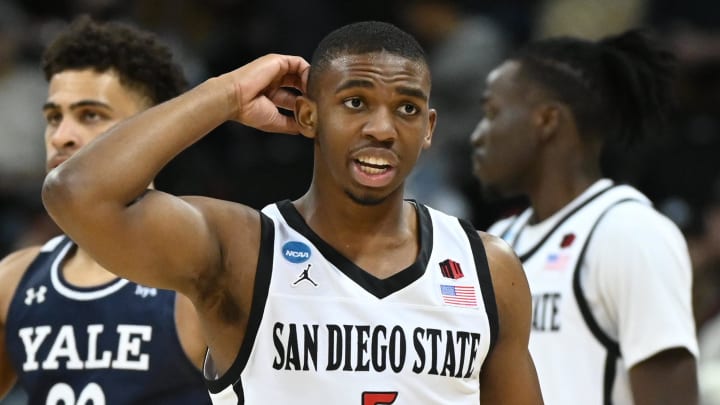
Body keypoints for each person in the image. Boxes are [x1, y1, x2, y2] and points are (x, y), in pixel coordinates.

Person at [41, 20, 544, 404]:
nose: (383, 129)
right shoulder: (244, 248)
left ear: (430, 128)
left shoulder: (489, 269)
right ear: (308, 115)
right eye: (355, 102)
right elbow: (76, 192)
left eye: (407, 109)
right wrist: (229, 93)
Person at [470, 28, 699, 404]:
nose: (478, 135)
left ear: (546, 120)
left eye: (492, 113)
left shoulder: (630, 233)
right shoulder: (498, 241)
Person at [0, 15, 212, 404]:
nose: (61, 136)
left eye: (90, 115)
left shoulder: (205, 279)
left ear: (153, 133)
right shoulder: (13, 282)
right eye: (53, 118)